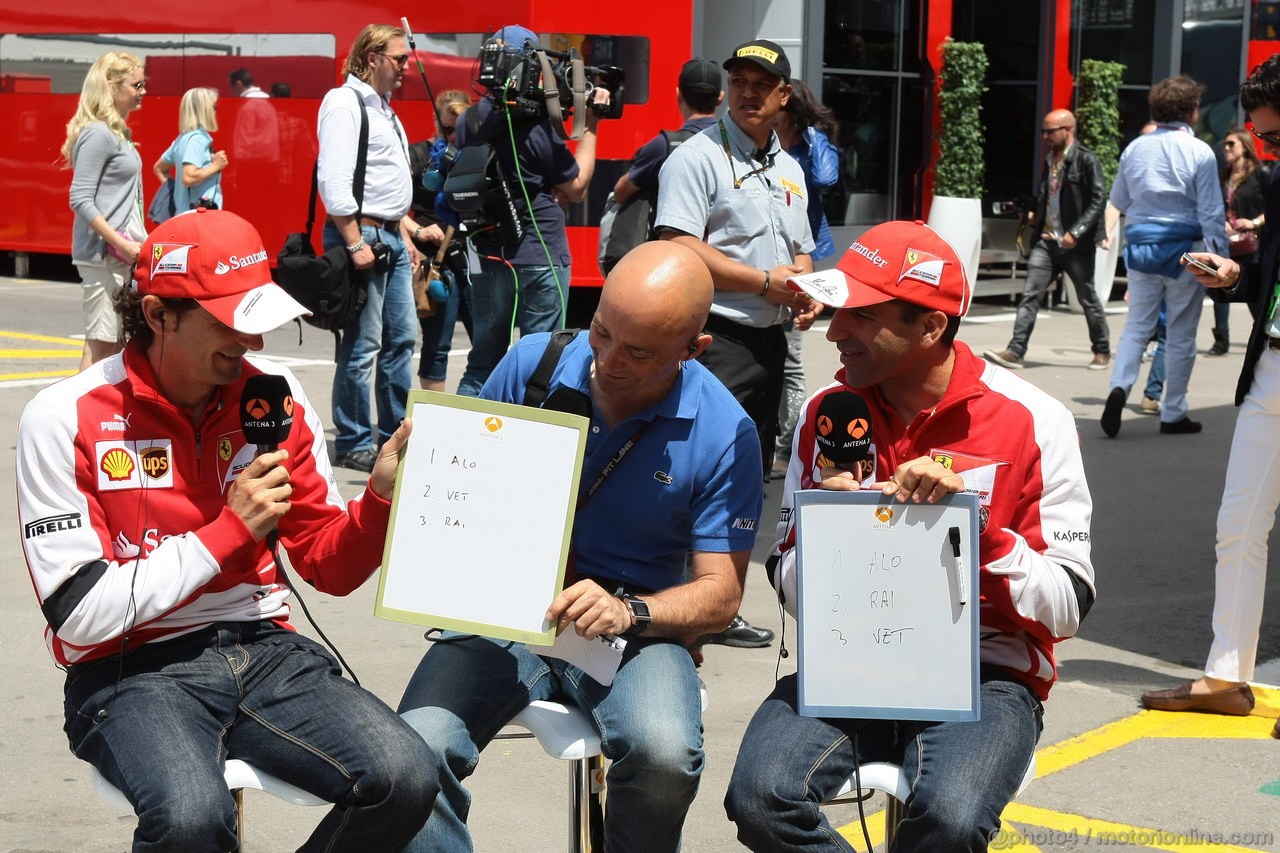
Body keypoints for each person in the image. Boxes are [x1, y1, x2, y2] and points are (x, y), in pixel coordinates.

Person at [16, 208, 440, 852]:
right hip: (131, 668)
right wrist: (227, 531)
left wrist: (379, 500)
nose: (254, 344)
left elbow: (330, 567)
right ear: (158, 315)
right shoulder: (62, 416)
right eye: (230, 323)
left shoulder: (274, 395)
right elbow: (81, 616)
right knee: (190, 818)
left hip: (266, 649)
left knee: (407, 776)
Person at [724, 220, 1096, 852]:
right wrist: (830, 534)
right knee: (761, 796)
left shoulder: (1037, 420)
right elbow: (786, 582)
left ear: (930, 327)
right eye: (838, 309)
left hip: (987, 673)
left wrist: (979, 532)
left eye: (861, 316)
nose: (835, 330)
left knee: (949, 817)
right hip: (853, 660)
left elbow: (1068, 606)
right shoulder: (827, 412)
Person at [396, 241, 765, 853]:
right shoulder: (533, 365)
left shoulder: (727, 432)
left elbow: (721, 596)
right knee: (413, 752)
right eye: (601, 332)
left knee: (665, 755)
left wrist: (633, 612)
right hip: (505, 612)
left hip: (629, 628)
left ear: (692, 350)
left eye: (638, 352)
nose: (608, 361)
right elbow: (461, 492)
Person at [1141, 55, 1280, 737]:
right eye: (1261, 139)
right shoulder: (1278, 187)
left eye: (1274, 138)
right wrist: (1233, 275)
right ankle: (1227, 675)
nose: (1265, 152)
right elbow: (1270, 285)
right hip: (1271, 369)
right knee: (1237, 525)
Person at [656, 38, 821, 480]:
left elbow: (800, 249)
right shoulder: (695, 157)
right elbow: (678, 244)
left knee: (749, 474)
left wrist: (805, 291)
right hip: (714, 340)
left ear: (783, 95)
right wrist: (767, 284)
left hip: (772, 346)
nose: (749, 93)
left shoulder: (790, 168)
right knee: (697, 473)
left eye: (763, 85)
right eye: (739, 82)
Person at [454, 24, 611, 397]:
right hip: (541, 256)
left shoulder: (468, 120)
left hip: (489, 255)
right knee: (542, 360)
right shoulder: (538, 126)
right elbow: (575, 187)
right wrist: (591, 126)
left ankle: (461, 442)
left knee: (483, 359)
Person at [1101, 75, 1228, 438]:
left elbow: (1120, 201)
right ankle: (1173, 412)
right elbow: (1211, 213)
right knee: (1181, 334)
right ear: (1191, 111)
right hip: (1186, 252)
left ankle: (1119, 386)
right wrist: (1220, 259)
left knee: (1137, 327)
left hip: (1141, 251)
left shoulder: (1135, 148)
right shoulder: (1200, 151)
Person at [317, 23, 419, 472]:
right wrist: (354, 239)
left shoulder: (384, 109)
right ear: (372, 56)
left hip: (390, 235)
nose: (406, 66)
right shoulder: (346, 102)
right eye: (399, 58)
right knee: (364, 345)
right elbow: (333, 179)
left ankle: (392, 435)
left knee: (402, 340)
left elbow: (384, 183)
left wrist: (406, 232)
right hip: (368, 237)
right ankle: (355, 440)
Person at [984, 109, 1111, 372]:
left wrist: (1075, 232)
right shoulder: (1050, 159)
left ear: (1068, 130)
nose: (1045, 137)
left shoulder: (1086, 160)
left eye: (1050, 131)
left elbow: (1098, 201)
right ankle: (1016, 351)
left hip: (1075, 244)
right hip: (1046, 240)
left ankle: (1101, 349)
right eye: (1044, 131)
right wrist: (1034, 213)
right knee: (1030, 294)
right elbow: (1050, 198)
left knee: (1087, 297)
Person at [771, 78, 839, 479]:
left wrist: (811, 137)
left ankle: (785, 445)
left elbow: (828, 179)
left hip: (801, 253)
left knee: (792, 358)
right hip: (766, 258)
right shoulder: (759, 146)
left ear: (790, 109)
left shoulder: (810, 144)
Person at [63, 51, 147, 371]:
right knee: (100, 346)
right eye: (136, 84)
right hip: (104, 256)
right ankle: (80, 419)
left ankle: (93, 416)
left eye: (143, 84)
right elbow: (80, 198)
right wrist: (124, 244)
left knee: (112, 344)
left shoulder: (118, 133)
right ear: (111, 87)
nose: (142, 92)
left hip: (119, 255)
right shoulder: (98, 133)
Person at [410, 89, 473, 391]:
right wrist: (417, 231)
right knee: (436, 344)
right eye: (447, 129)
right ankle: (435, 418)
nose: (452, 137)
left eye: (459, 129)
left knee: (487, 342)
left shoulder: (475, 155)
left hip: (473, 257)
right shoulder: (420, 154)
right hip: (435, 259)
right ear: (437, 123)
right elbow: (391, 208)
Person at [610, 57, 722, 207]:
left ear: (678, 95)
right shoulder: (736, 142)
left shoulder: (663, 146)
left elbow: (620, 193)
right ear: (720, 97)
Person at [1213, 126, 1269, 354]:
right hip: (1227, 241)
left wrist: (1253, 222)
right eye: (1224, 144)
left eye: (1231, 144)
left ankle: (1265, 338)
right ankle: (1221, 341)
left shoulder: (1261, 173)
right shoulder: (1224, 175)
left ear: (1245, 147)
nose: (1226, 149)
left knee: (1253, 296)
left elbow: (1274, 208)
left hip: (1252, 242)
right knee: (1220, 288)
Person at [153, 87, 228, 215]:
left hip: (186, 213)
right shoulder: (197, 140)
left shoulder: (183, 139)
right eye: (213, 108)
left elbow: (159, 168)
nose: (215, 111)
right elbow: (188, 176)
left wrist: (176, 193)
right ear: (203, 111)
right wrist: (216, 165)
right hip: (198, 217)